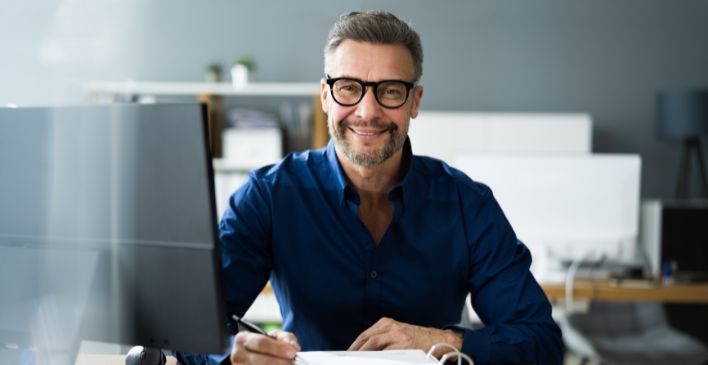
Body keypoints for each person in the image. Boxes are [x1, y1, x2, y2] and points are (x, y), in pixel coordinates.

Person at [178, 10, 563, 365]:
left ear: (415, 101)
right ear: (326, 96)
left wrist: (438, 340)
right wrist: (234, 352)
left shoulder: (468, 203)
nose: (367, 111)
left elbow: (540, 342)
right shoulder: (269, 195)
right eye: (349, 88)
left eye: (391, 90)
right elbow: (189, 330)